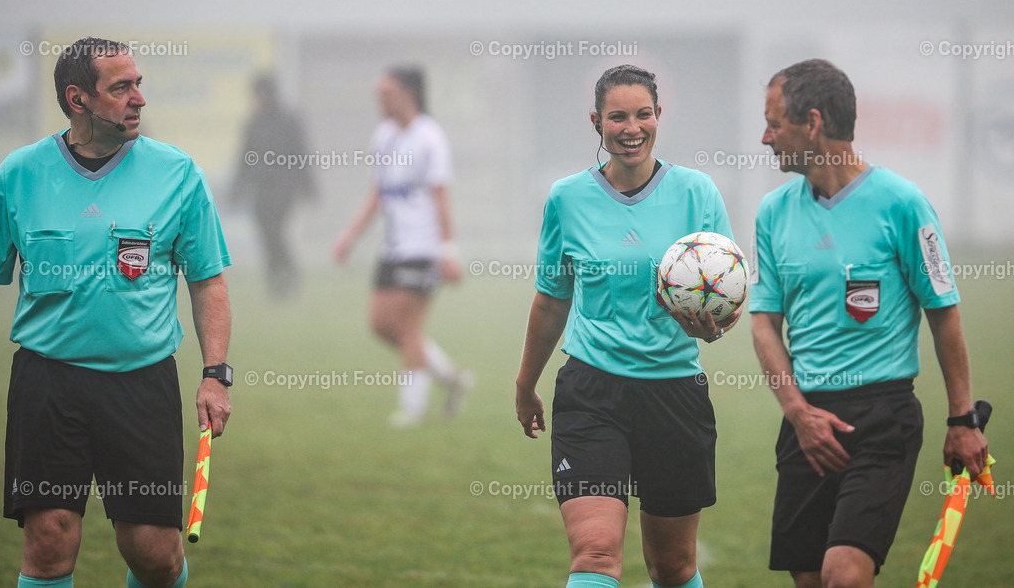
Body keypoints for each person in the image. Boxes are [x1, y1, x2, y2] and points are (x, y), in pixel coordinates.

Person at [0, 37, 233, 588]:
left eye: (138, 84)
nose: (139, 99)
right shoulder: (18, 174)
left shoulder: (177, 173)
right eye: (121, 87)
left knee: (153, 554)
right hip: (47, 382)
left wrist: (215, 375)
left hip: (141, 382)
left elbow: (207, 280)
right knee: (49, 540)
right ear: (78, 99)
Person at [750, 58, 989, 587]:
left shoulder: (903, 204)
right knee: (811, 579)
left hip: (881, 419)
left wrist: (963, 419)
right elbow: (764, 321)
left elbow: (943, 313)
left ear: (812, 123)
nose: (765, 137)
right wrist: (798, 414)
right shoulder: (772, 211)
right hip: (805, 422)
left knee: (844, 577)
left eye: (774, 122)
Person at [515, 64, 740, 588]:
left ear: (659, 116)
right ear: (597, 122)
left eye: (643, 114)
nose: (631, 127)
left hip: (674, 394)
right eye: (617, 116)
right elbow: (551, 301)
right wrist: (526, 385)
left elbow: (728, 294)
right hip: (592, 391)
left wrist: (713, 329)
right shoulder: (566, 199)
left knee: (673, 566)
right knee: (595, 554)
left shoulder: (697, 193)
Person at [333, 66, 472, 427]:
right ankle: (452, 379)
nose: (380, 100)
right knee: (381, 324)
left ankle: (412, 412)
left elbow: (442, 197)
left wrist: (448, 252)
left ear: (409, 94)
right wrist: (350, 235)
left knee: (408, 327)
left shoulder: (430, 137)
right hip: (393, 248)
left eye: (386, 93)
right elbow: (377, 193)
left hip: (424, 249)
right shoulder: (383, 136)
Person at [232, 73, 315, 298]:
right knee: (265, 232)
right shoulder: (253, 123)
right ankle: (275, 276)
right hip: (261, 187)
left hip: (285, 186)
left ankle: (287, 273)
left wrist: (308, 188)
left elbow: (301, 154)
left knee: (276, 229)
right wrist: (237, 189)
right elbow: (244, 156)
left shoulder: (289, 120)